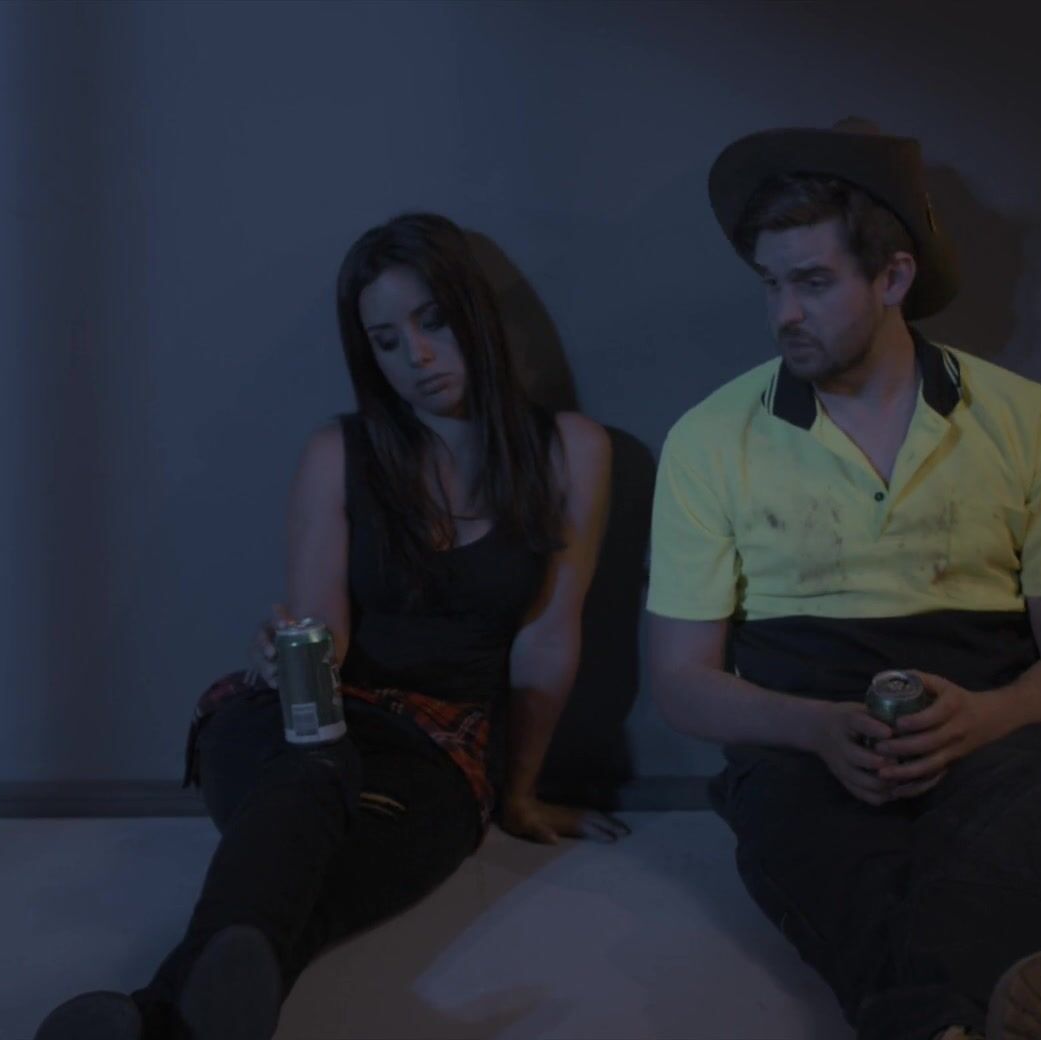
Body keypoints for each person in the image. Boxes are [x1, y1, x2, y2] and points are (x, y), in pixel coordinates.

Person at [37, 212, 624, 1040]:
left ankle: (154, 1019)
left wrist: (520, 793)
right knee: (313, 766)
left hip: (438, 757)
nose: (416, 357)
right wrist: (286, 655)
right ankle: (177, 1015)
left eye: (434, 322)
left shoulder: (571, 450)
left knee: (321, 885)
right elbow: (323, 629)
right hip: (294, 727)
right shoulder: (338, 453)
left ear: (477, 314)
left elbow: (550, 636)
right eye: (386, 341)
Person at [644, 119, 1041, 1040]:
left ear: (893, 278)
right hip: (801, 735)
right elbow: (679, 680)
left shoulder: (1026, 420)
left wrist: (988, 717)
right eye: (770, 283)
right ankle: (960, 1022)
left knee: (1035, 796)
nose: (783, 313)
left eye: (812, 282)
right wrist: (815, 727)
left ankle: (928, 1026)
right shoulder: (711, 439)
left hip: (988, 722)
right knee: (810, 836)